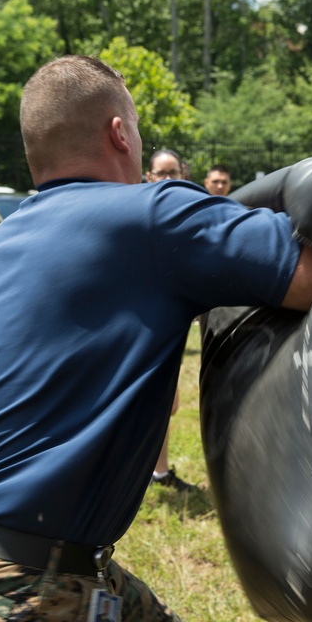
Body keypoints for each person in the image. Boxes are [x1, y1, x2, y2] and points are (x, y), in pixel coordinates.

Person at [0, 55, 312, 622]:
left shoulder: (7, 234)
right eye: (138, 128)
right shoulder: (151, 217)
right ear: (119, 132)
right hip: (21, 589)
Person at [143, 147, 192, 491]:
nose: (167, 179)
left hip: (169, 319)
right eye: (161, 172)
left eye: (173, 172)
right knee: (152, 402)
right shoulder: (139, 209)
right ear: (148, 176)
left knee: (166, 404)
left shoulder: (187, 213)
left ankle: (157, 472)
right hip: (138, 319)